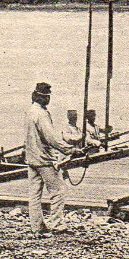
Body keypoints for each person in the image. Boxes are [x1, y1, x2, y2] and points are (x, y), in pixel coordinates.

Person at [25, 82, 80, 237]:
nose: (48, 99)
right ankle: (57, 224)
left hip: (31, 158)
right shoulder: (41, 114)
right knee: (58, 190)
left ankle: (37, 227)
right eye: (47, 97)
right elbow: (52, 138)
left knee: (35, 194)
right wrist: (70, 149)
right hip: (44, 159)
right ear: (41, 97)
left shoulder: (30, 111)